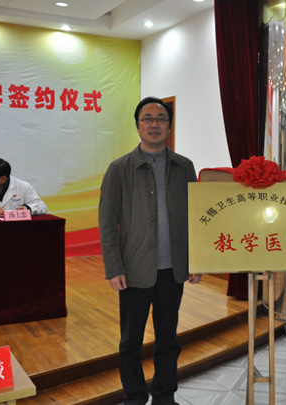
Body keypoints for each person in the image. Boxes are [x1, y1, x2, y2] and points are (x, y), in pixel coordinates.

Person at [98, 96, 200, 405]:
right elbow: (107, 221)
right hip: (134, 270)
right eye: (148, 118)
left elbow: (197, 216)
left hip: (173, 269)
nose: (154, 124)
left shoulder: (184, 166)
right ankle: (134, 396)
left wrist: (197, 259)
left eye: (161, 118)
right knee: (130, 341)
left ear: (169, 126)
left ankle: (165, 396)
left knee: (168, 339)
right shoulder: (119, 169)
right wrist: (114, 267)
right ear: (138, 125)